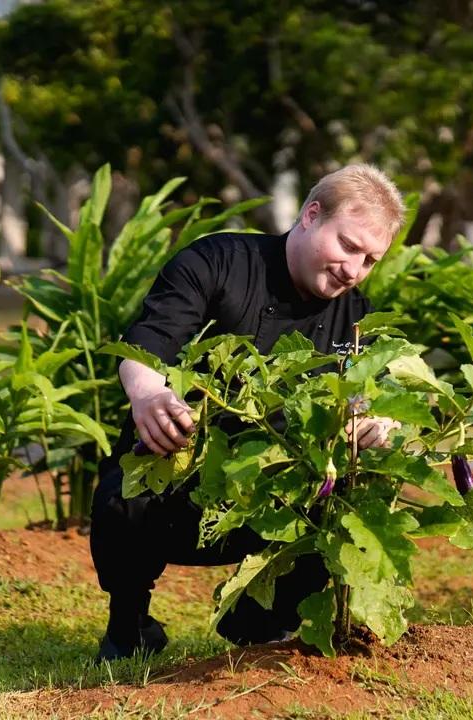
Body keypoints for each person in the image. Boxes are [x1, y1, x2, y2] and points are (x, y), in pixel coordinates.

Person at [90, 164, 406, 662]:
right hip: (186, 475)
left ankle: (262, 625)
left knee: (344, 499)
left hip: (281, 494)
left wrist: (370, 423)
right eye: (348, 245)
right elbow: (146, 348)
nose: (353, 270)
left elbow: (364, 398)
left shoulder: (357, 317)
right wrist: (150, 395)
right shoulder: (218, 261)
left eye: (369, 260)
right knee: (126, 492)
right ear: (310, 215)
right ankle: (128, 626)